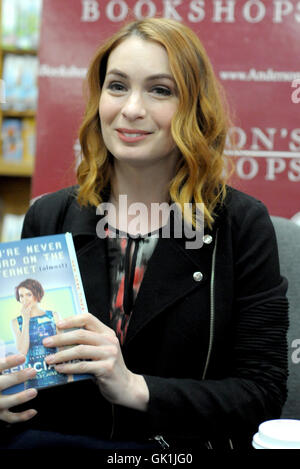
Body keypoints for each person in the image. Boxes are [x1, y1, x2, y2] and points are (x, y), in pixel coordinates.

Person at [0, 18, 288, 450]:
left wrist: (135, 387)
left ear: (194, 107)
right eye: (117, 86)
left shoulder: (240, 225)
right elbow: (26, 369)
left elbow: (262, 395)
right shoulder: (50, 214)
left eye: (160, 90)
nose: (131, 108)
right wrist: (7, 392)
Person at [11, 279, 69, 391]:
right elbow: (23, 351)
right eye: (21, 296)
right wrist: (25, 319)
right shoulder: (16, 322)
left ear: (37, 294)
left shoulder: (53, 315)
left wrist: (70, 376)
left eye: (28, 294)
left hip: (57, 374)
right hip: (32, 378)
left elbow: (62, 349)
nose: (25, 299)